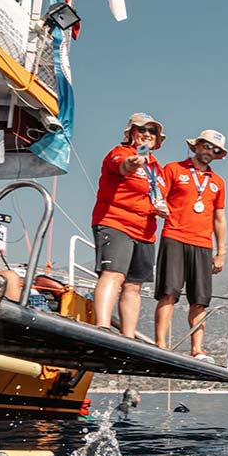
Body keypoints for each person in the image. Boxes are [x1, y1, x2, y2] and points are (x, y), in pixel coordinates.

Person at [153, 130, 228, 362]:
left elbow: (219, 218)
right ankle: (161, 344)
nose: (210, 152)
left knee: (200, 299)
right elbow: (158, 196)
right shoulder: (174, 169)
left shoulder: (217, 182)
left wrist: (221, 252)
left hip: (202, 244)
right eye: (206, 146)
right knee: (168, 293)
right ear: (196, 146)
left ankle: (198, 350)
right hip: (174, 236)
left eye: (215, 150)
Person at [90, 113, 166, 338]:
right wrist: (132, 162)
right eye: (141, 129)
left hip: (145, 230)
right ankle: (102, 326)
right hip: (116, 222)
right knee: (113, 273)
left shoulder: (156, 167)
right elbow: (123, 167)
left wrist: (160, 208)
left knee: (134, 285)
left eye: (152, 131)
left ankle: (129, 336)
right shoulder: (120, 152)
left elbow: (153, 194)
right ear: (131, 133)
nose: (146, 134)